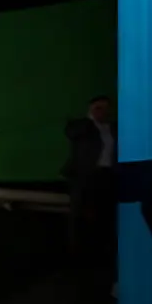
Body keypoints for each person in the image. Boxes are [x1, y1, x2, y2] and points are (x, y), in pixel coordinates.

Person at [63, 95, 115, 253]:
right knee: (79, 214)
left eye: (105, 109)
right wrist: (90, 120)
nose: (102, 112)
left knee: (102, 214)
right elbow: (71, 132)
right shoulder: (82, 126)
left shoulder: (112, 128)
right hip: (86, 175)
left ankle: (99, 249)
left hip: (106, 174)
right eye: (98, 108)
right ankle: (76, 250)